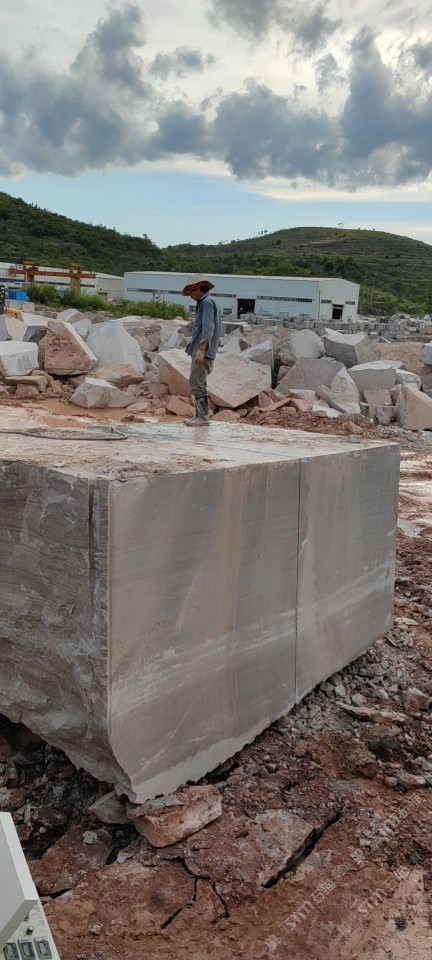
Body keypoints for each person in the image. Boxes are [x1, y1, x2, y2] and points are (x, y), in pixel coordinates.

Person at [182, 274, 221, 426]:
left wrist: (202, 348)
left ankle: (203, 417)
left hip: (203, 351)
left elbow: (208, 326)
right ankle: (199, 416)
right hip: (204, 350)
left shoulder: (207, 303)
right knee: (198, 382)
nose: (190, 296)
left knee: (197, 383)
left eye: (191, 292)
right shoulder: (207, 302)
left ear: (197, 288)